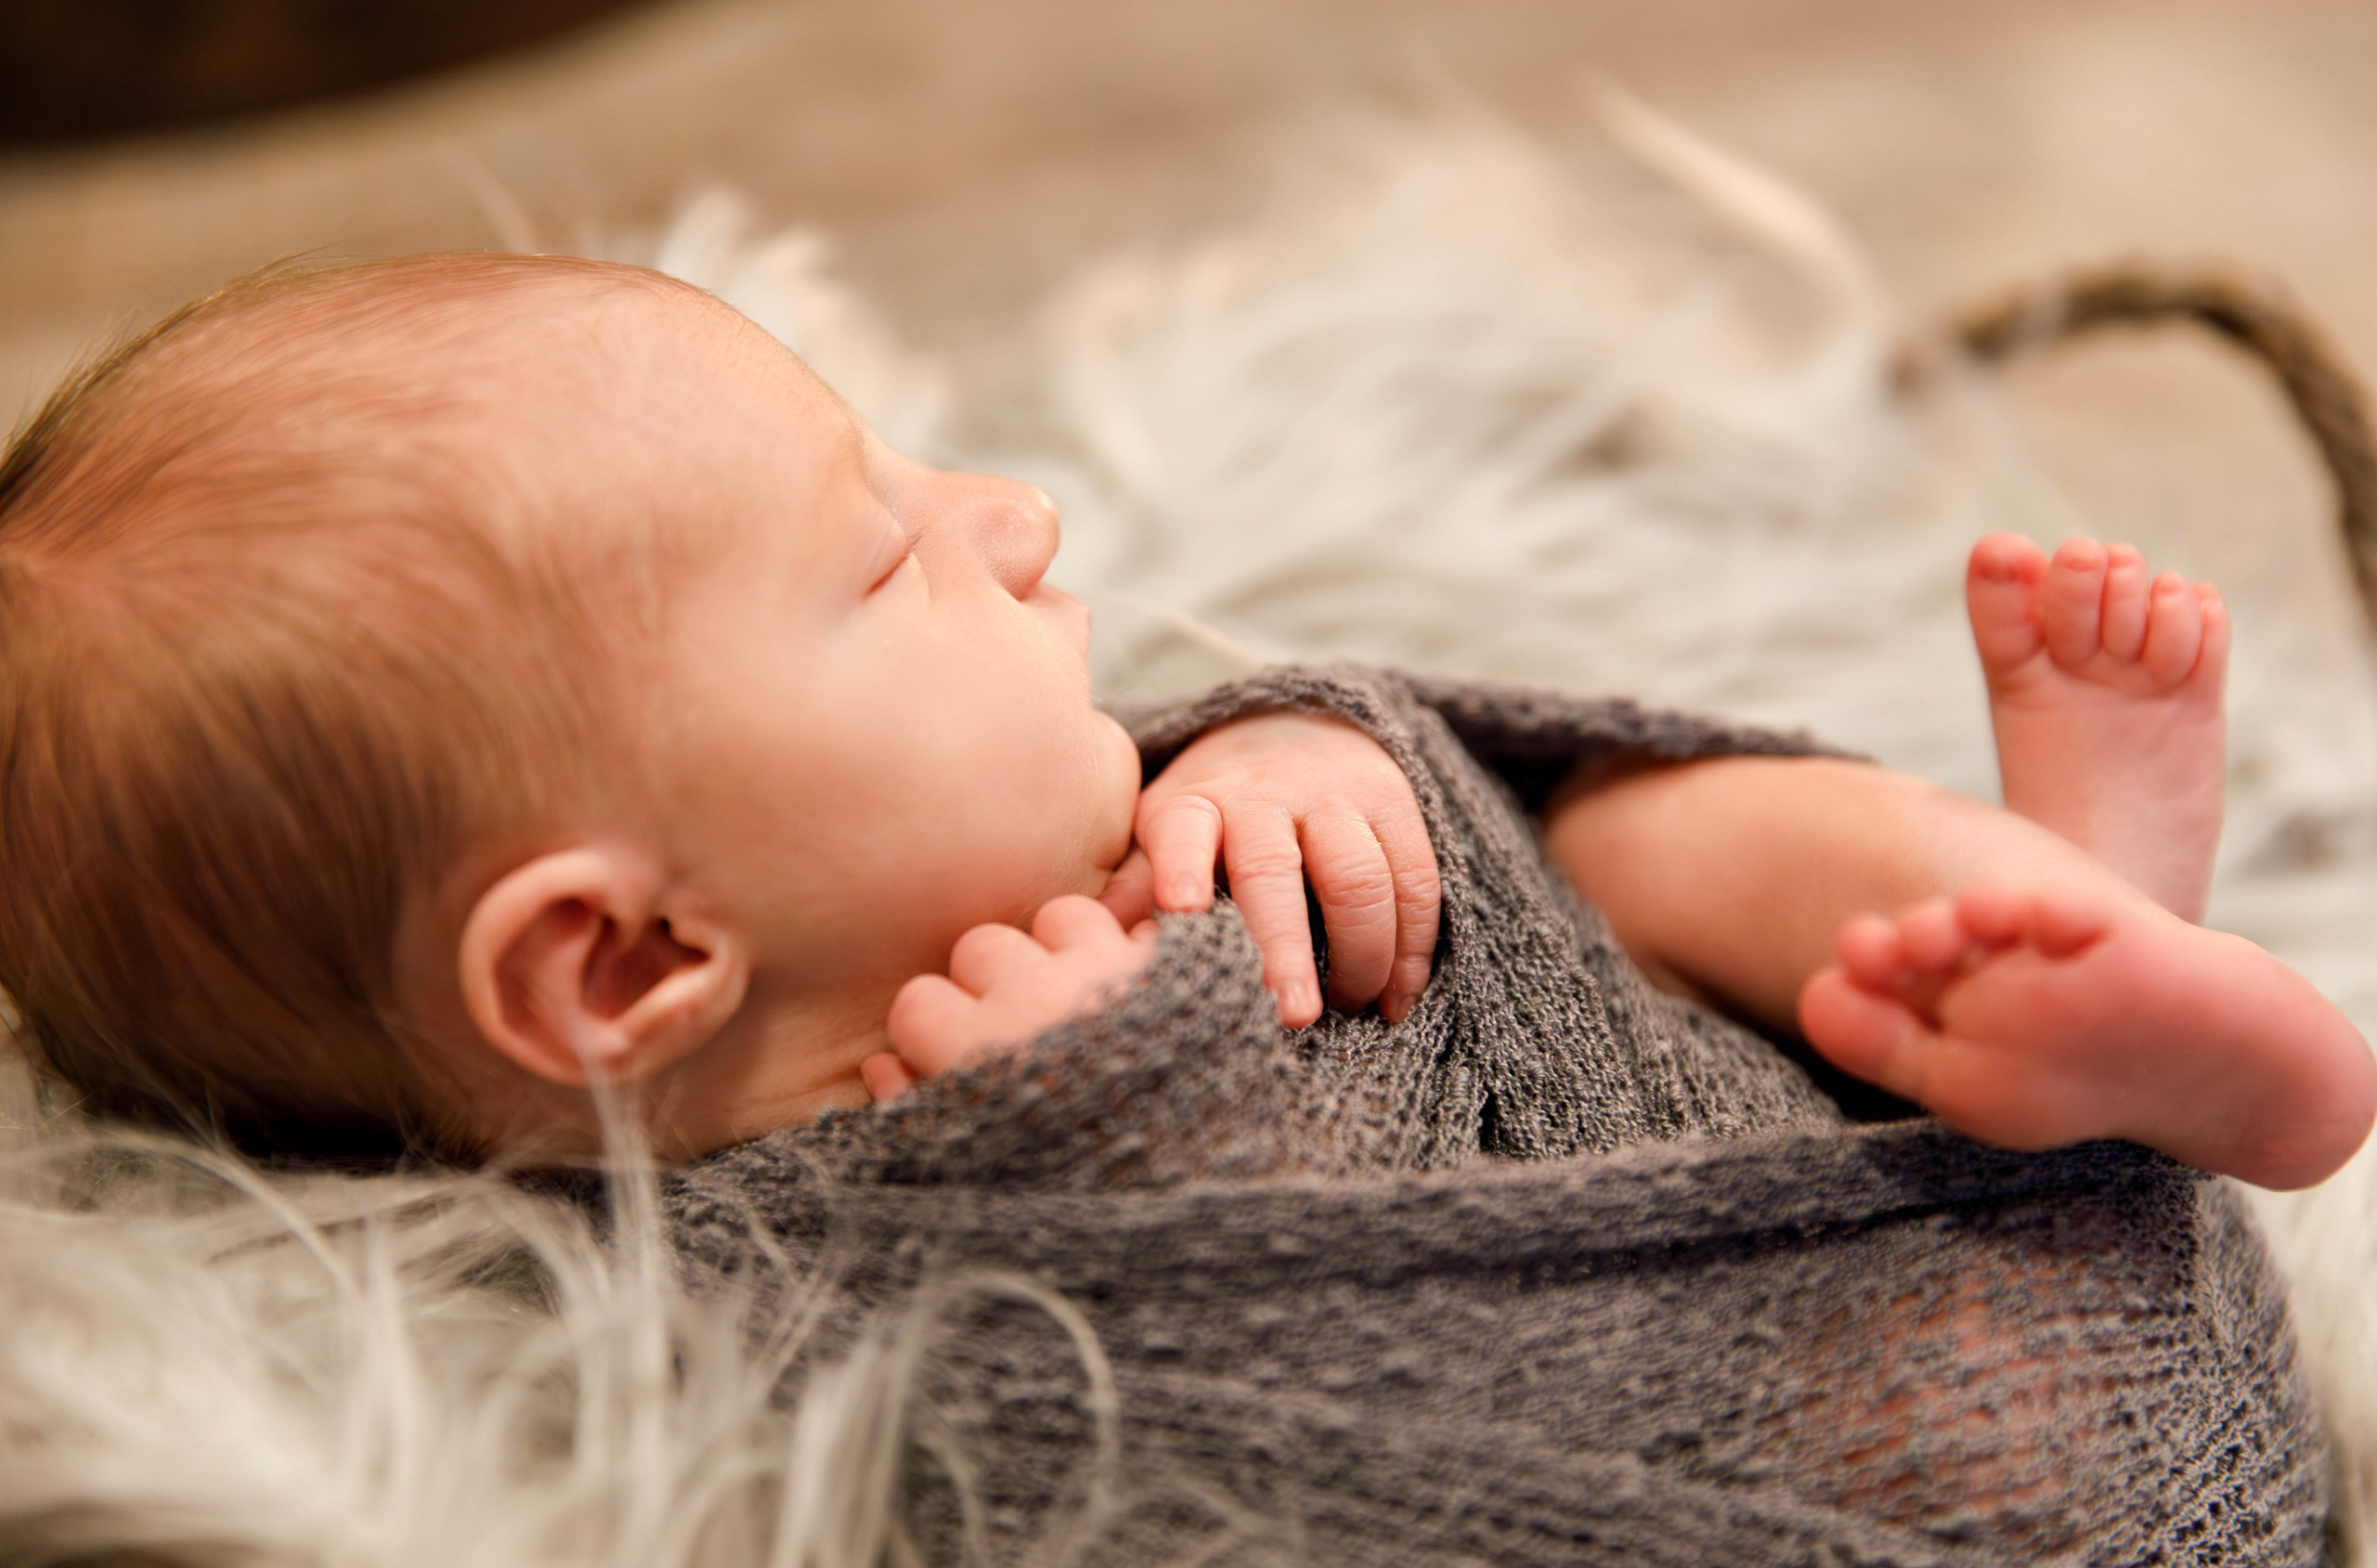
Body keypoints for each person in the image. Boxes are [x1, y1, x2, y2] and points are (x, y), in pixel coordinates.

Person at [0, 252, 2366, 1191]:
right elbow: (1292, 1441)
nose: (1013, 518)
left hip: (1701, 1020)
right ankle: (2041, 1076)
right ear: (623, 971)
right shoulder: (796, 1228)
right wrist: (1125, 1135)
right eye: (877, 559)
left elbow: (1398, 795)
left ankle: (2051, 913)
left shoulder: (946, 844)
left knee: (1613, 818)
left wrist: (1285, 752)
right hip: (1802, 1337)